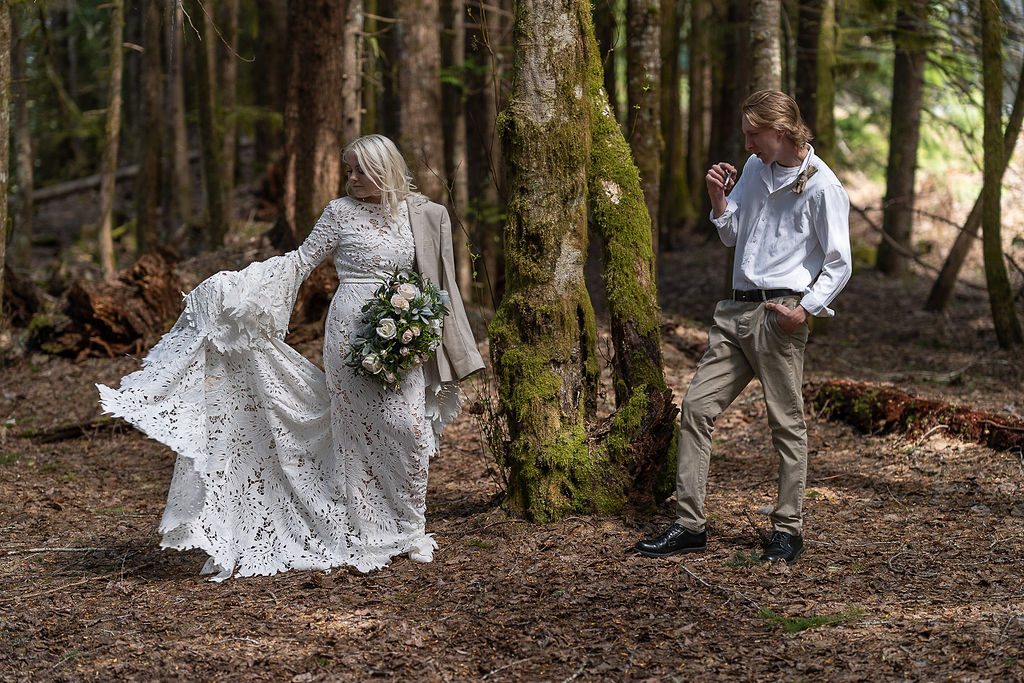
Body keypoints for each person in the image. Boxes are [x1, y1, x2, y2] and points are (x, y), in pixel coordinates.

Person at [99, 134, 484, 580]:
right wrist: (234, 290)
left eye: (360, 170)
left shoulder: (422, 215)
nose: (351, 179)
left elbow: (439, 282)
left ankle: (411, 527)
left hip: (406, 331)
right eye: (349, 170)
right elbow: (300, 263)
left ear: (385, 169)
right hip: (351, 334)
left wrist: (429, 331)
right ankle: (367, 528)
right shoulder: (339, 214)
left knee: (408, 427)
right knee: (356, 433)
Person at [634, 90, 852, 564]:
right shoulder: (754, 169)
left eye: (754, 134)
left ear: (782, 131)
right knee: (695, 409)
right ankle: (690, 525)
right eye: (746, 134)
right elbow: (734, 234)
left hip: (780, 316)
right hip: (735, 313)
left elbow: (839, 263)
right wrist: (717, 197)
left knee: (786, 425)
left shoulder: (823, 187)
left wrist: (806, 308)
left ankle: (787, 532)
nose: (747, 143)